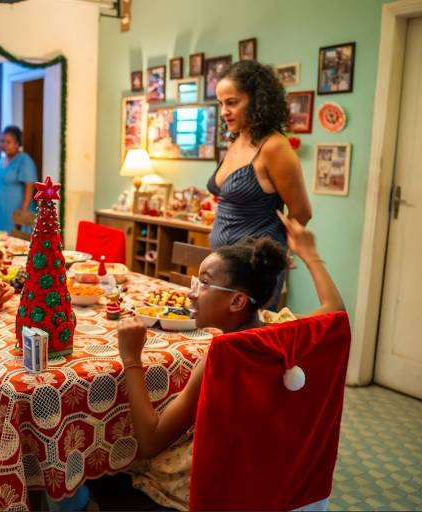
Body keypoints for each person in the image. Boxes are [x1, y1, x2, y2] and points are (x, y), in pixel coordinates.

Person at [117, 212, 344, 511]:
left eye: (205, 284)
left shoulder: (226, 353)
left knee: (116, 466)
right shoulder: (286, 329)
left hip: (212, 485)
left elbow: (150, 440)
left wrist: (132, 358)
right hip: (275, 477)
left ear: (237, 301)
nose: (191, 294)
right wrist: (310, 254)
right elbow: (335, 311)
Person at [209, 60, 311, 250]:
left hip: (255, 269)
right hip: (222, 263)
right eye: (221, 103)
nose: (224, 112)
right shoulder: (236, 140)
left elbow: (301, 213)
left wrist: (278, 254)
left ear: (257, 101)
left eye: (232, 103)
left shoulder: (274, 146)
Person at [0, 125, 38, 232]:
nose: (4, 144)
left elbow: (30, 189)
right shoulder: (1, 160)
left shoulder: (24, 161)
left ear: (17, 144)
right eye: (2, 141)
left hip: (13, 214)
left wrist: (22, 215)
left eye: (8, 142)